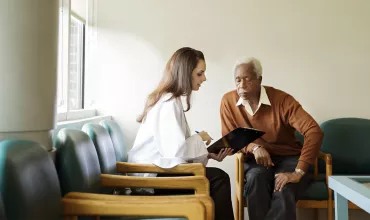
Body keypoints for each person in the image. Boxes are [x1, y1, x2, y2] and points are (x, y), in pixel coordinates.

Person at [128, 47, 234, 220]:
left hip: (157, 174)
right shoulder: (168, 103)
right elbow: (175, 153)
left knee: (215, 177)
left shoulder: (171, 100)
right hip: (150, 180)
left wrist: (208, 153)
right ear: (186, 72)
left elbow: (176, 152)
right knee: (219, 179)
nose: (204, 78)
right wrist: (200, 139)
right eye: (200, 74)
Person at [220, 57, 324, 220]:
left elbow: (314, 131)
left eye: (247, 79)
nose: (241, 86)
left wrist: (298, 172)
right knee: (256, 179)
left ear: (259, 79)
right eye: (238, 80)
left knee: (284, 186)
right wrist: (254, 147)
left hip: (289, 158)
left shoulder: (282, 100)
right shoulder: (228, 101)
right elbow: (230, 139)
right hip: (256, 161)